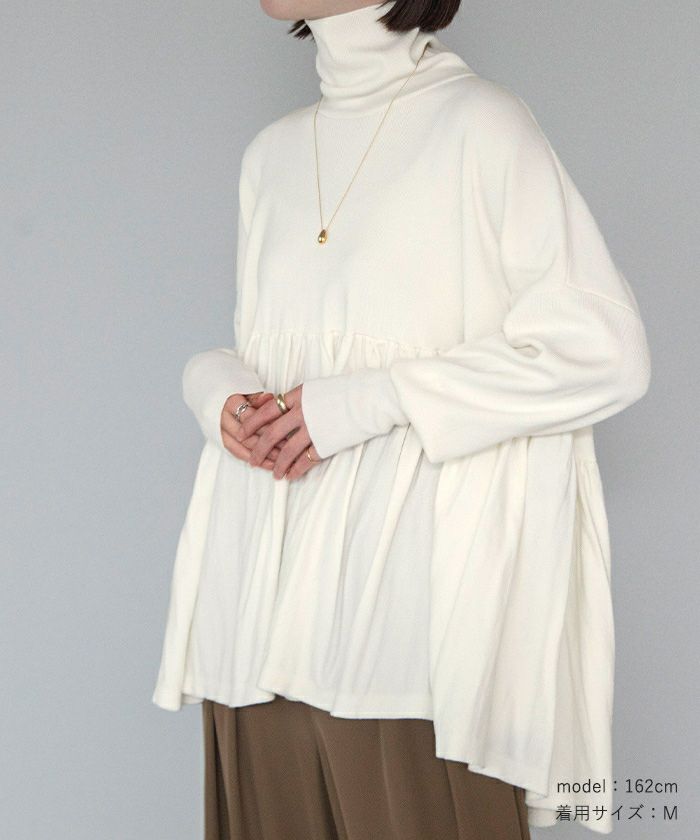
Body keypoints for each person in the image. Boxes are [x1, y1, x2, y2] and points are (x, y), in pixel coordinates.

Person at [151, 1, 652, 838]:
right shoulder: (272, 154)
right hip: (255, 618)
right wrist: (213, 387)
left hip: (409, 628)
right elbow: (279, 350)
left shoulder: (480, 125)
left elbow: (604, 351)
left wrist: (367, 400)